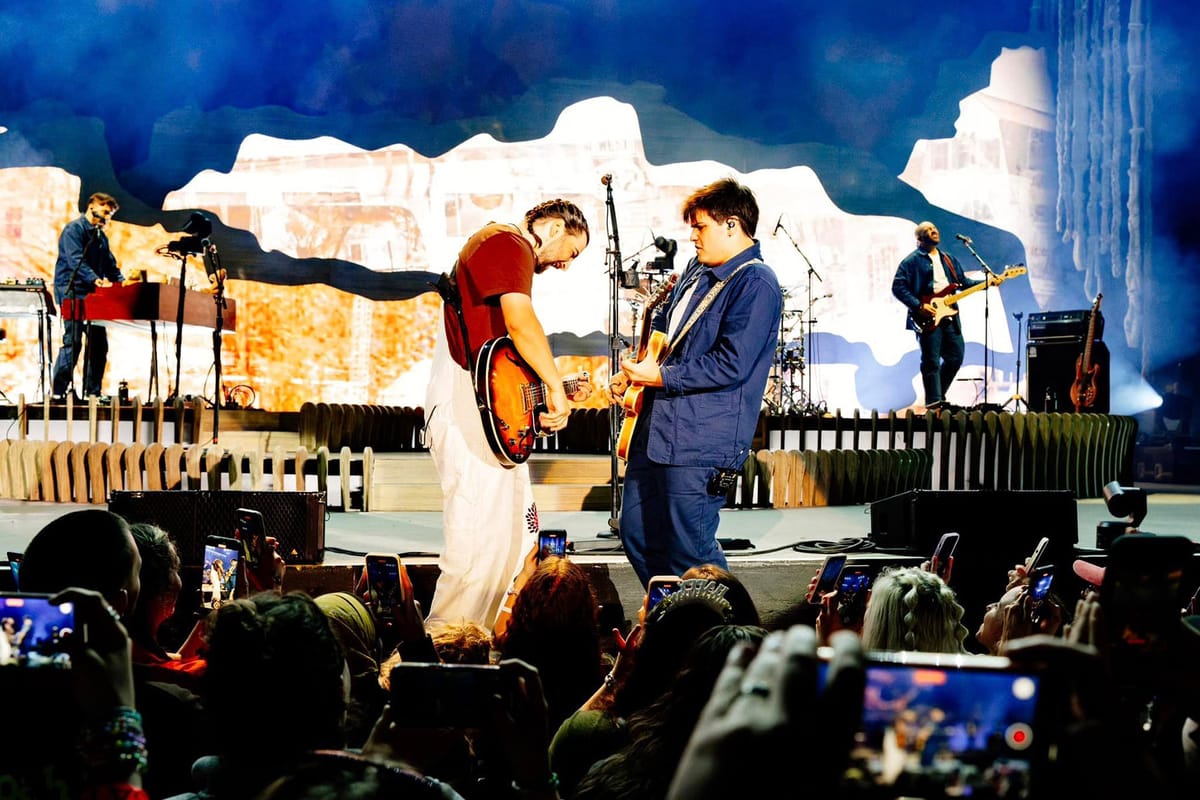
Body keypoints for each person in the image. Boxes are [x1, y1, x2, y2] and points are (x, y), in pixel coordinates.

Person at [424, 199, 591, 627]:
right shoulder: (506, 241)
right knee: (475, 546)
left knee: (506, 543)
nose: (566, 265)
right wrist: (553, 385)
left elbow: (502, 371)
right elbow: (520, 322)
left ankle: (474, 641)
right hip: (464, 407)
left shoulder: (503, 252)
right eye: (572, 252)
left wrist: (546, 396)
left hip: (479, 410)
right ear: (554, 228)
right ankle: (445, 646)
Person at [611, 179, 782, 586]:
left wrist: (661, 376)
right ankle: (674, 614)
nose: (692, 237)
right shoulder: (695, 270)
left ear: (732, 225)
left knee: (691, 550)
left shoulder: (756, 283)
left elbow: (732, 363)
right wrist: (637, 370)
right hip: (657, 431)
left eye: (701, 227)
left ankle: (720, 623)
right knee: (637, 534)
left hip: (700, 440)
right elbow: (666, 333)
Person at [891, 221, 982, 410]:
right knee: (931, 361)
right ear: (919, 238)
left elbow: (963, 282)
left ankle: (937, 396)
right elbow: (898, 287)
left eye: (935, 229)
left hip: (949, 315)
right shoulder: (911, 261)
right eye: (928, 230)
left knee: (955, 357)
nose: (934, 231)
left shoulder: (948, 259)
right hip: (927, 316)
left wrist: (986, 283)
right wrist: (918, 306)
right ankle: (935, 404)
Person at [52, 191, 125, 400]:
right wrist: (95, 279)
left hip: (94, 296)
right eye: (105, 211)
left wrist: (122, 282)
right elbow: (75, 259)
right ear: (92, 206)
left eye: (110, 214)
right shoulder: (73, 230)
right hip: (72, 291)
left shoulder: (101, 237)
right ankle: (58, 392)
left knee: (98, 345)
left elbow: (110, 264)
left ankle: (92, 392)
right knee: (73, 342)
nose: (107, 216)